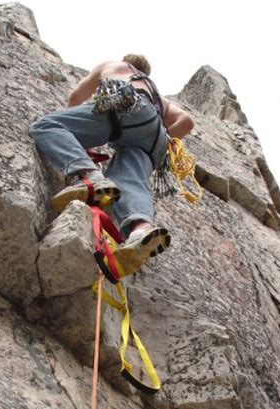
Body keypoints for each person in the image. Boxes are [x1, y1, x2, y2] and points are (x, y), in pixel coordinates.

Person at [29, 54, 194, 274]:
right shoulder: (157, 96)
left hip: (126, 103)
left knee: (47, 126)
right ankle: (141, 230)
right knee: (129, 179)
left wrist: (81, 141)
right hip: (155, 134)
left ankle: (89, 177)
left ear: (128, 61)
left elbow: (75, 97)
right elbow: (187, 122)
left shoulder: (113, 66)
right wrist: (160, 137)